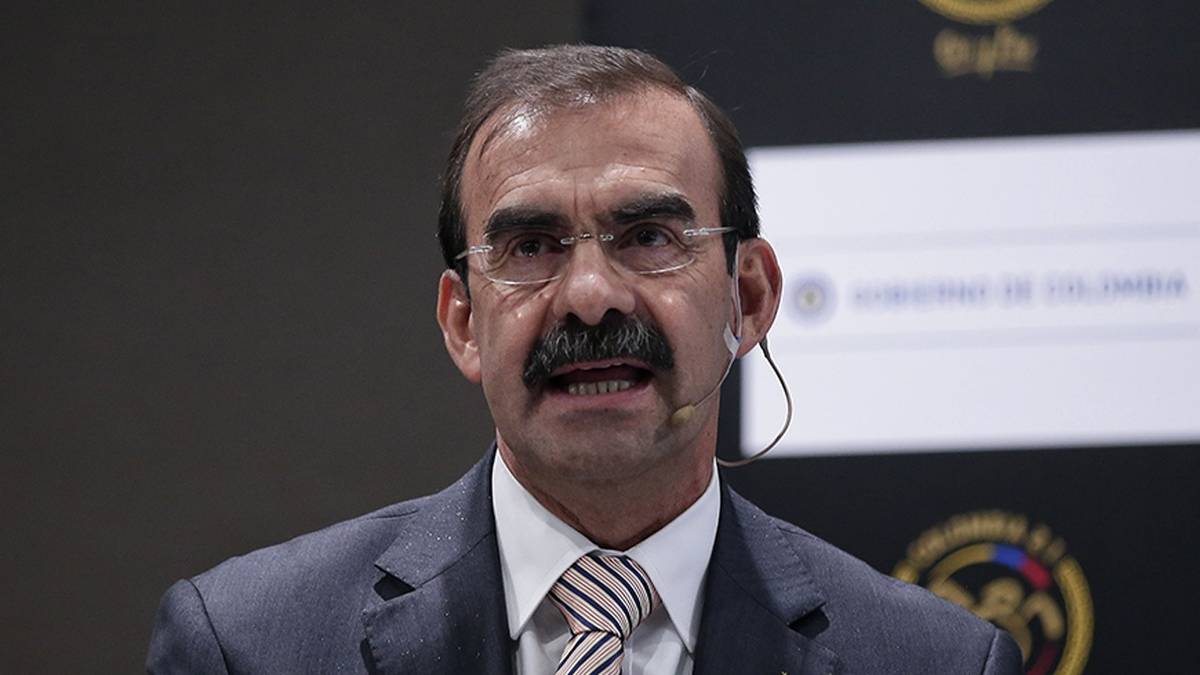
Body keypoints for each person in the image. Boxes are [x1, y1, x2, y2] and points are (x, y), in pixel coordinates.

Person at [147, 45, 1022, 674]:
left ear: (748, 297)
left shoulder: (938, 661)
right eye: (531, 246)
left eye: (649, 236)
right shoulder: (247, 645)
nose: (591, 295)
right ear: (463, 322)